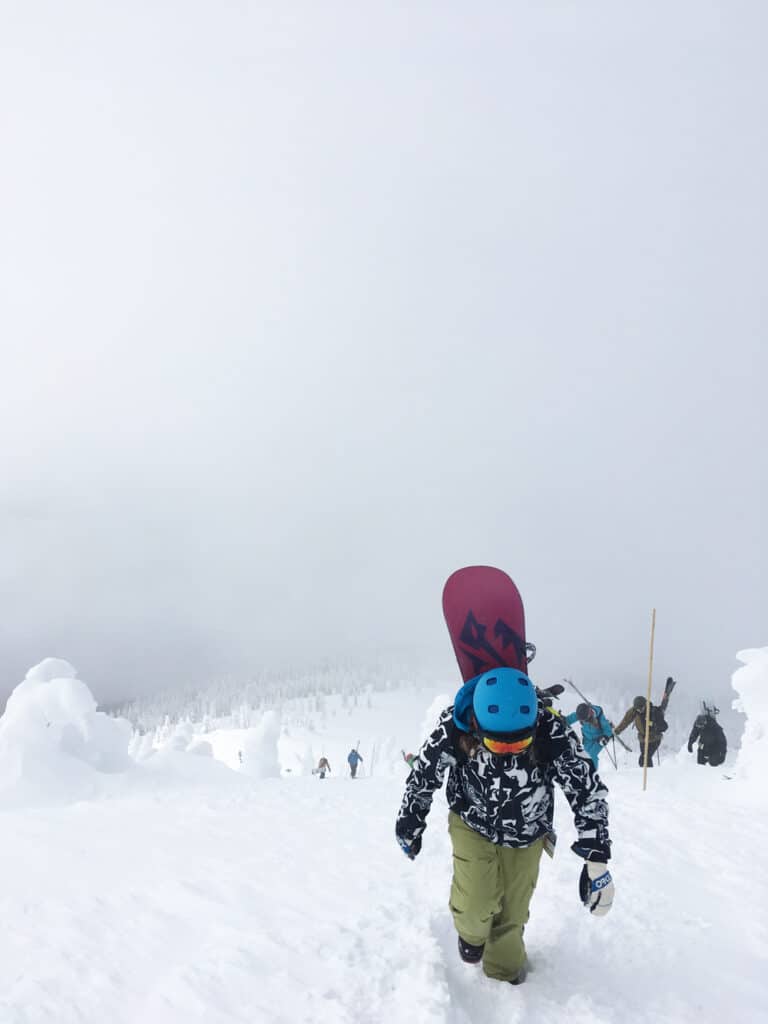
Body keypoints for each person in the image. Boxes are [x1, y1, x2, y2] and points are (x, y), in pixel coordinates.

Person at [395, 667, 613, 985]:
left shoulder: (551, 729)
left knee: (513, 916)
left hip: (528, 832)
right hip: (472, 822)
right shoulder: (455, 725)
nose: (510, 751)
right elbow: (423, 776)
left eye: (521, 742)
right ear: (476, 724)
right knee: (476, 901)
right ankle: (471, 935)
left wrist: (597, 859)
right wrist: (410, 822)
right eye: (498, 746)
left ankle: (504, 976)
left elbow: (587, 790)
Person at [614, 695, 668, 766]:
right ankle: (648, 771)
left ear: (645, 705)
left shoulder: (654, 712)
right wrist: (617, 731)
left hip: (654, 739)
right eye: (638, 709)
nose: (640, 711)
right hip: (643, 739)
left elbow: (664, 726)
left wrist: (654, 725)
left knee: (645, 759)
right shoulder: (634, 711)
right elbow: (626, 721)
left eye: (641, 708)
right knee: (644, 759)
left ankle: (649, 772)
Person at [565, 703, 613, 768]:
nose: (583, 721)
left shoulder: (599, 716)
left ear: (589, 714)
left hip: (599, 739)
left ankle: (593, 771)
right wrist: (563, 721)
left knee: (591, 755)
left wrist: (606, 736)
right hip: (587, 739)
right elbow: (571, 718)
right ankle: (588, 770)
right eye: (581, 719)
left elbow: (607, 728)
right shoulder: (581, 713)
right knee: (585, 755)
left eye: (584, 719)